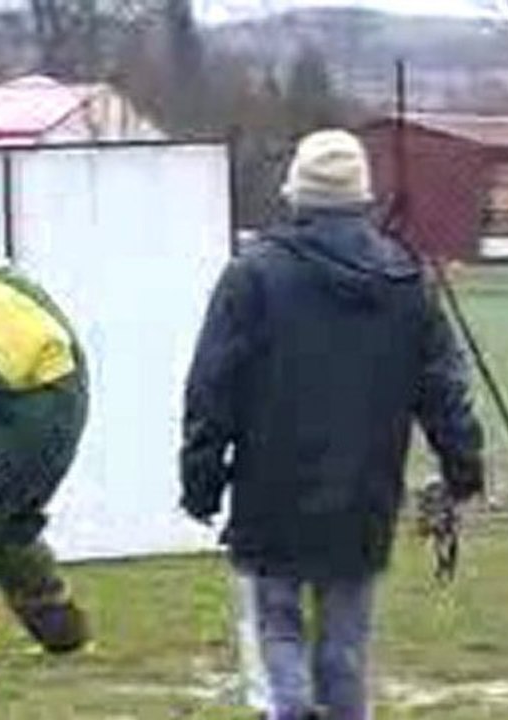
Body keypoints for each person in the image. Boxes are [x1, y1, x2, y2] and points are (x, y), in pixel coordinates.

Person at [179, 129, 484, 720]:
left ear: (296, 194)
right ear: (362, 196)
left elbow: (211, 389)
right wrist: (462, 468)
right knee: (345, 650)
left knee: (277, 636)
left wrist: (201, 481)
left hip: (270, 491)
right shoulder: (405, 281)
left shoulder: (253, 275)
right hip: (364, 490)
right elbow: (445, 391)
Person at [0, 257, 90, 653]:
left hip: (18, 441)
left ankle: (61, 628)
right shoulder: (9, 294)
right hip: (38, 438)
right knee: (8, 532)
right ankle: (61, 631)